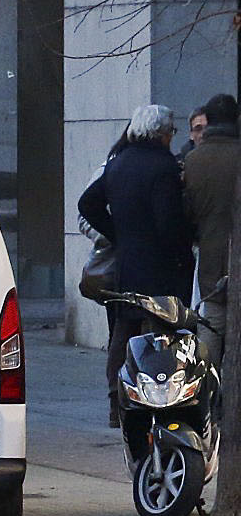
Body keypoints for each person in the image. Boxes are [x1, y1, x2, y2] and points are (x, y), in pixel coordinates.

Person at [80, 104, 196, 423]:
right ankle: (161, 402)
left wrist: (119, 234)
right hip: (161, 268)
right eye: (171, 132)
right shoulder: (164, 167)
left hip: (128, 265)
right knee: (164, 334)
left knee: (125, 332)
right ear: (161, 133)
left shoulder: (119, 163)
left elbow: (87, 203)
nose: (172, 138)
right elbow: (168, 224)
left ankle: (117, 403)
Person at [188, 95, 239, 363]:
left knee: (210, 334)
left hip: (210, 265)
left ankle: (208, 398)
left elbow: (188, 215)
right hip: (235, 263)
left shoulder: (194, 161)